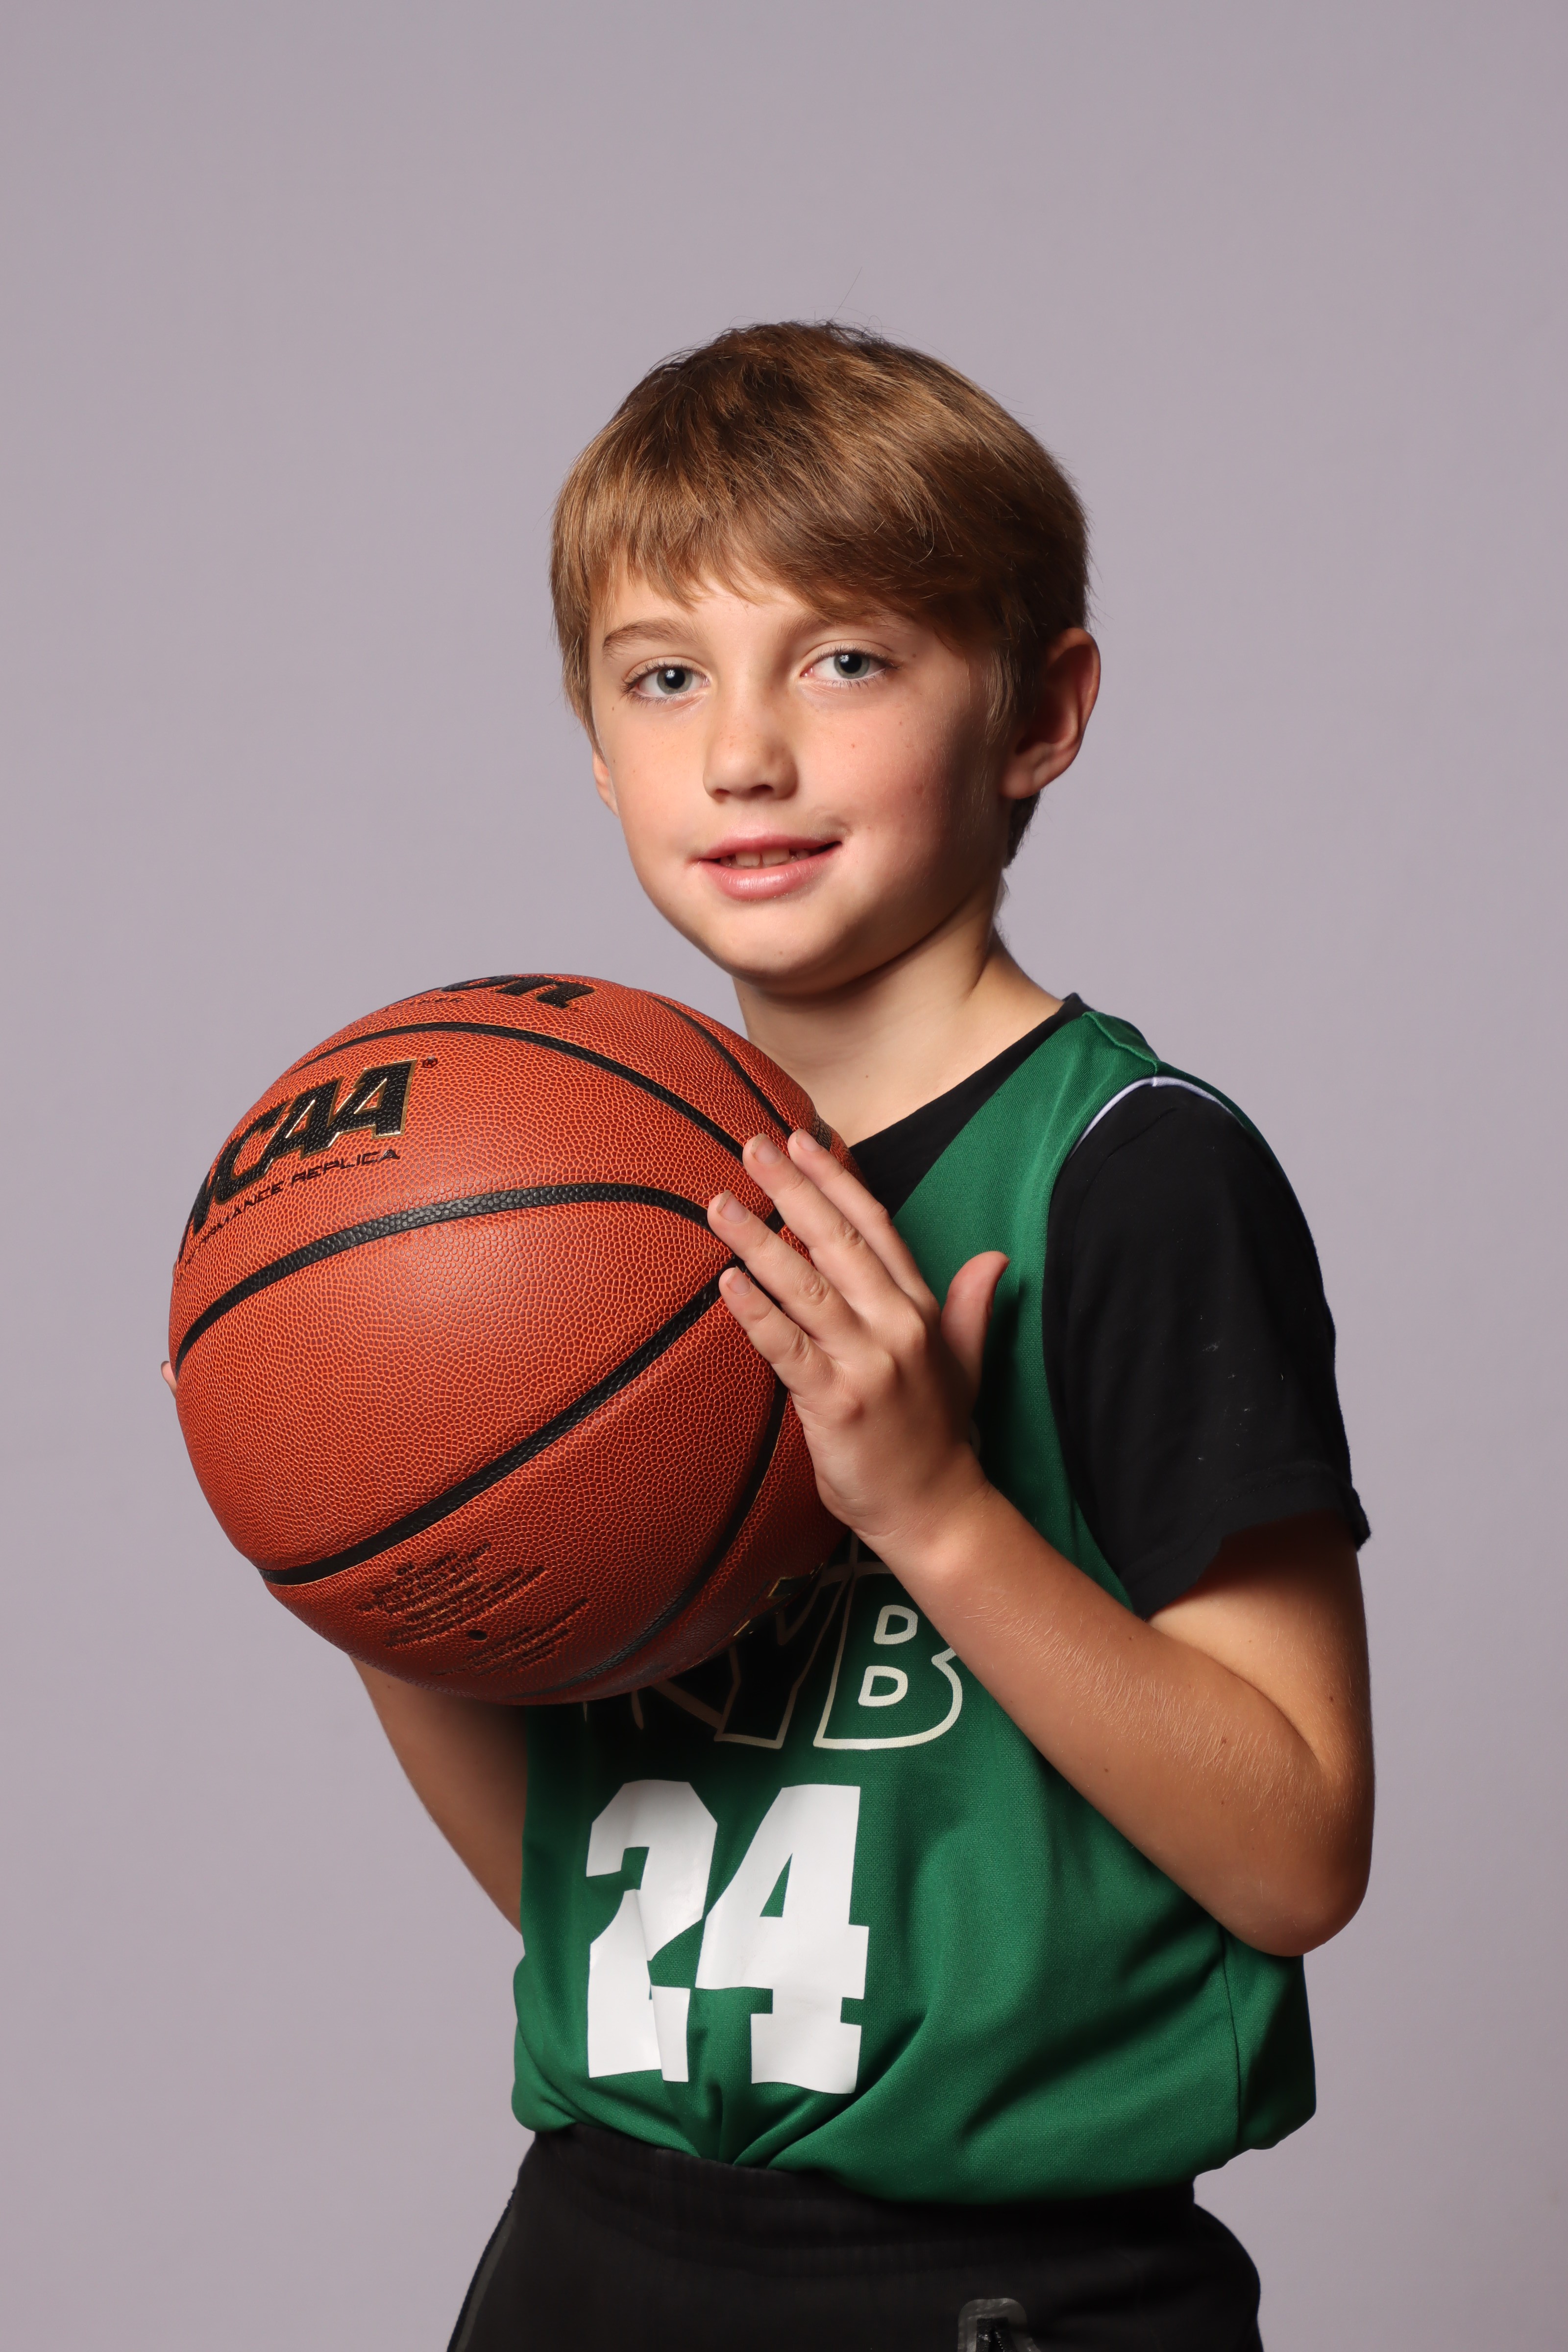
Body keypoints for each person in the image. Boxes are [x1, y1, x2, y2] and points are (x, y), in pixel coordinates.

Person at [356, 324, 1373, 2350]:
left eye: (842, 661)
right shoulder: (573, 1208)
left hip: (1005, 2284)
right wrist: (383, 1556)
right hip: (592, 2241)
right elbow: (593, 1894)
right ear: (595, 745)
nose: (743, 754)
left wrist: (934, 1512)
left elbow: (1293, 1856)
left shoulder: (1130, 1176)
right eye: (664, 677)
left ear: (1038, 713)